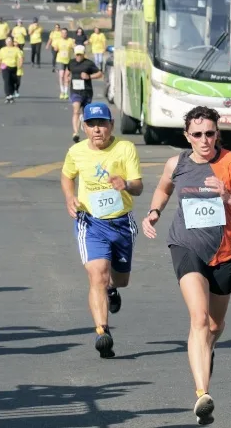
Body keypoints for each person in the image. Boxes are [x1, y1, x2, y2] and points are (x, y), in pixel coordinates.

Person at [141, 106, 231, 425]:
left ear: (218, 134)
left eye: (210, 133)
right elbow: (163, 187)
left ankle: (205, 350)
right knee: (198, 318)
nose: (204, 140)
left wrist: (229, 198)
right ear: (187, 136)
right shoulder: (177, 163)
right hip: (186, 247)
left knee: (214, 326)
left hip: (225, 252)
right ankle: (203, 394)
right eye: (197, 134)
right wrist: (155, 211)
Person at [61, 102, 143, 359]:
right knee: (97, 274)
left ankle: (112, 290)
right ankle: (102, 331)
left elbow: (139, 187)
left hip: (120, 222)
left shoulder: (125, 148)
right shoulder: (76, 152)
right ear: (84, 127)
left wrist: (126, 184)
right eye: (91, 124)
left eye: (102, 124)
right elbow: (67, 176)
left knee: (120, 279)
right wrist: (69, 197)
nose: (97, 130)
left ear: (111, 125)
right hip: (91, 222)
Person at [68, 45, 103, 143]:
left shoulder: (89, 63)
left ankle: (89, 133)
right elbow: (68, 71)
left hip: (87, 92)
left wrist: (89, 76)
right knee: (76, 110)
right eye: (77, 54)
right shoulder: (71, 63)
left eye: (80, 54)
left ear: (83, 54)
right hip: (75, 91)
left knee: (86, 113)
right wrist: (67, 77)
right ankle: (76, 132)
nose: (78, 56)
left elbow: (100, 74)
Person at [0, 36, 22, 103]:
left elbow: (20, 58)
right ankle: (8, 95)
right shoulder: (2, 49)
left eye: (10, 41)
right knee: (7, 81)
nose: (9, 43)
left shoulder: (16, 49)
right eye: (7, 41)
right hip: (5, 66)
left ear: (12, 42)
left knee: (13, 82)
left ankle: (11, 94)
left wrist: (20, 64)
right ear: (5, 42)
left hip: (14, 67)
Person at [53, 28, 75, 100]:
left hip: (68, 61)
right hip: (60, 60)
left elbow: (75, 48)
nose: (64, 34)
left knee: (67, 77)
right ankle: (62, 92)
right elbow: (55, 49)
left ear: (67, 33)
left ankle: (65, 93)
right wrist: (55, 48)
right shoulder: (58, 41)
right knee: (61, 76)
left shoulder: (70, 40)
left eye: (65, 33)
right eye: (63, 33)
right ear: (61, 34)